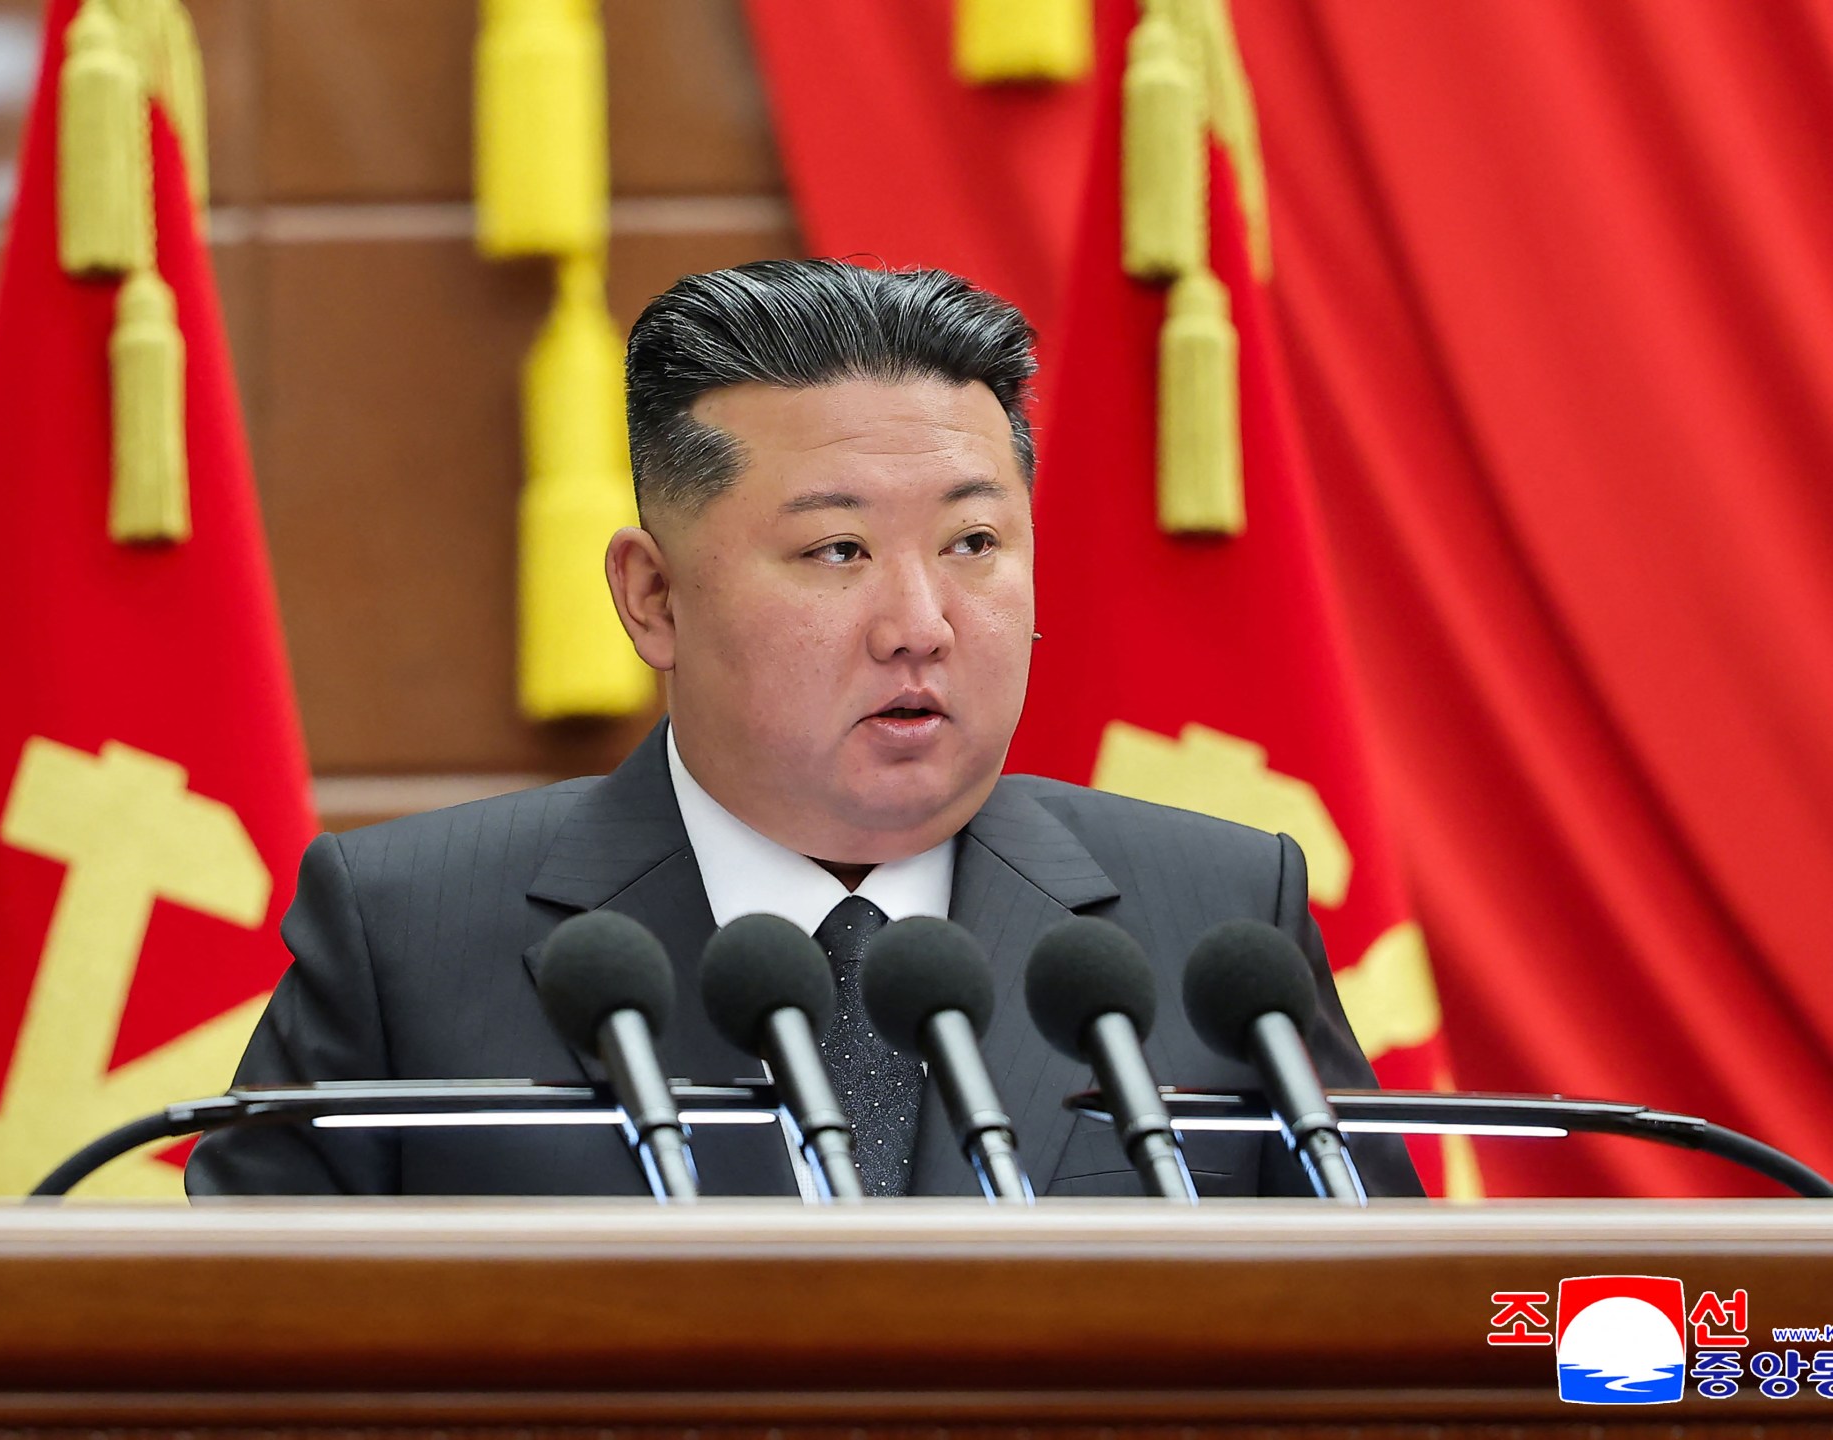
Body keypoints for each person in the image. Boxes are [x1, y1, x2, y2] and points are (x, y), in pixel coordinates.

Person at [187, 260, 1420, 1200]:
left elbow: (1436, 1338)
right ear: (653, 598)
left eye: (974, 543)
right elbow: (232, 1361)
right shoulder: (408, 938)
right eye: (837, 551)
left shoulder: (1215, 922)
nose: (920, 624)